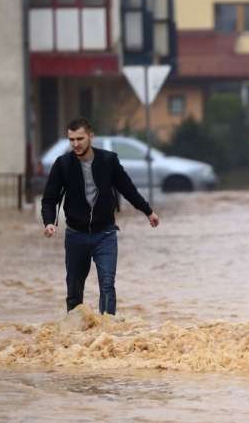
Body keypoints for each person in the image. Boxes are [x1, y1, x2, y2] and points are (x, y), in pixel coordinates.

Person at [41, 117, 160, 315]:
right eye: (71, 140)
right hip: (75, 235)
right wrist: (48, 222)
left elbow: (128, 189)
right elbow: (49, 198)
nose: (76, 144)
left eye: (80, 139)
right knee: (74, 290)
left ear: (91, 137)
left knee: (107, 284)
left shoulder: (108, 160)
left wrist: (148, 211)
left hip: (105, 234)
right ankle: (74, 335)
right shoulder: (63, 164)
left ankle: (106, 333)